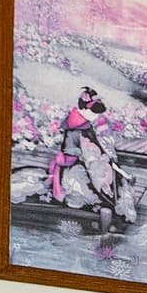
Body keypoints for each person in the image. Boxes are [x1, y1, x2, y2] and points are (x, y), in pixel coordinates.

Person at [48, 85, 131, 232]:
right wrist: (85, 155)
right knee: (94, 185)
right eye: (94, 113)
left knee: (108, 174)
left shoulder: (84, 122)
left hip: (89, 160)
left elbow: (94, 144)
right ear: (86, 109)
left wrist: (99, 154)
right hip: (74, 165)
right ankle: (105, 215)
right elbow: (69, 149)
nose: (96, 117)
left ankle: (111, 206)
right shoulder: (74, 125)